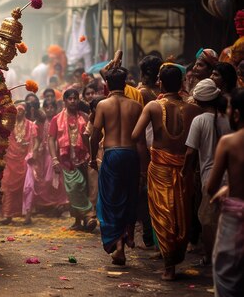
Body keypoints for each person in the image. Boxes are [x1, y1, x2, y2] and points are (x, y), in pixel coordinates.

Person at [132, 64, 202, 280]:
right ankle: (174, 260)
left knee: (163, 215)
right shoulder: (194, 109)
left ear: (160, 82)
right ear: (182, 83)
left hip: (160, 167)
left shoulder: (153, 106)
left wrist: (145, 160)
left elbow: (136, 135)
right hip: (184, 169)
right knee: (181, 214)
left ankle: (168, 267)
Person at [89, 68, 143, 265]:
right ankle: (128, 234)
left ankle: (119, 246)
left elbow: (95, 135)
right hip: (131, 154)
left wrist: (92, 156)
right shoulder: (137, 106)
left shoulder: (103, 105)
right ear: (125, 83)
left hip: (112, 154)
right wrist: (144, 168)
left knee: (111, 200)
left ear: (107, 85)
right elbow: (142, 142)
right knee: (129, 197)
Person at [181, 79, 231, 266]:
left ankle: (211, 257)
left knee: (207, 221)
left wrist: (184, 173)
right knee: (225, 219)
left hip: (209, 177)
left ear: (199, 101)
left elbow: (190, 153)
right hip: (231, 176)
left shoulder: (199, 120)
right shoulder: (227, 118)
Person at [205, 88, 244, 296]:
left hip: (234, 217)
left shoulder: (229, 142)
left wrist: (227, 188)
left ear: (236, 114)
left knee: (227, 275)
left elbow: (211, 187)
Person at [49, 89, 96, 231]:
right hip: (66, 160)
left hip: (84, 158)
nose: (73, 101)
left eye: (75, 98)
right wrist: (55, 159)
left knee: (85, 189)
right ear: (64, 101)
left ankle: (78, 221)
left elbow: (91, 136)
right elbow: (51, 139)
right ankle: (89, 215)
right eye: (70, 98)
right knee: (75, 188)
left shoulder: (85, 117)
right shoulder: (56, 119)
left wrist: (93, 156)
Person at [25, 99, 67, 220]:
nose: (49, 110)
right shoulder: (40, 121)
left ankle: (57, 205)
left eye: (52, 107)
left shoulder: (59, 120)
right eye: (47, 107)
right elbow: (37, 137)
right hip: (43, 154)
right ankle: (48, 206)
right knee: (42, 180)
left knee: (53, 180)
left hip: (54, 154)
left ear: (55, 108)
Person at [0, 102, 37, 225]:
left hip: (25, 160)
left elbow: (35, 143)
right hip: (10, 160)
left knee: (27, 188)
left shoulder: (31, 126)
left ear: (25, 111)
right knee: (7, 186)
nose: (19, 112)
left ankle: (27, 215)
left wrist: (31, 153)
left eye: (21, 109)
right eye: (16, 109)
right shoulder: (8, 125)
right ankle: (7, 215)